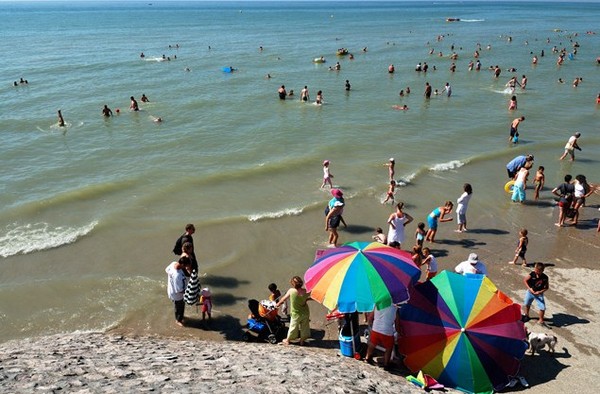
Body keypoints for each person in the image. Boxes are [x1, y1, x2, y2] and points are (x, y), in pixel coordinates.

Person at [276, 276, 311, 345]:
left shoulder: (291, 290)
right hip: (305, 312)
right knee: (305, 327)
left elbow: (283, 299)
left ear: (293, 284)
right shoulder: (306, 291)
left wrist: (278, 304)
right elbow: (313, 297)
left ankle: (288, 340)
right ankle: (302, 341)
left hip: (296, 313)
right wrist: (307, 299)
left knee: (293, 327)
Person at [364, 304, 398, 369]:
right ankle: (386, 364)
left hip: (376, 329)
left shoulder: (377, 305)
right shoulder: (395, 308)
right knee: (389, 347)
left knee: (372, 344)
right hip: (387, 331)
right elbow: (397, 324)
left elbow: (370, 317)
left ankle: (367, 358)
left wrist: (371, 326)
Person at [165, 256, 192, 327]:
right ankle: (178, 320)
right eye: (187, 266)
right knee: (179, 307)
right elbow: (180, 290)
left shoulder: (173, 263)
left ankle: (180, 316)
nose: (187, 267)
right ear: (183, 265)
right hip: (177, 295)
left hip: (171, 290)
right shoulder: (178, 276)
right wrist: (190, 292)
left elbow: (166, 270)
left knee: (179, 306)